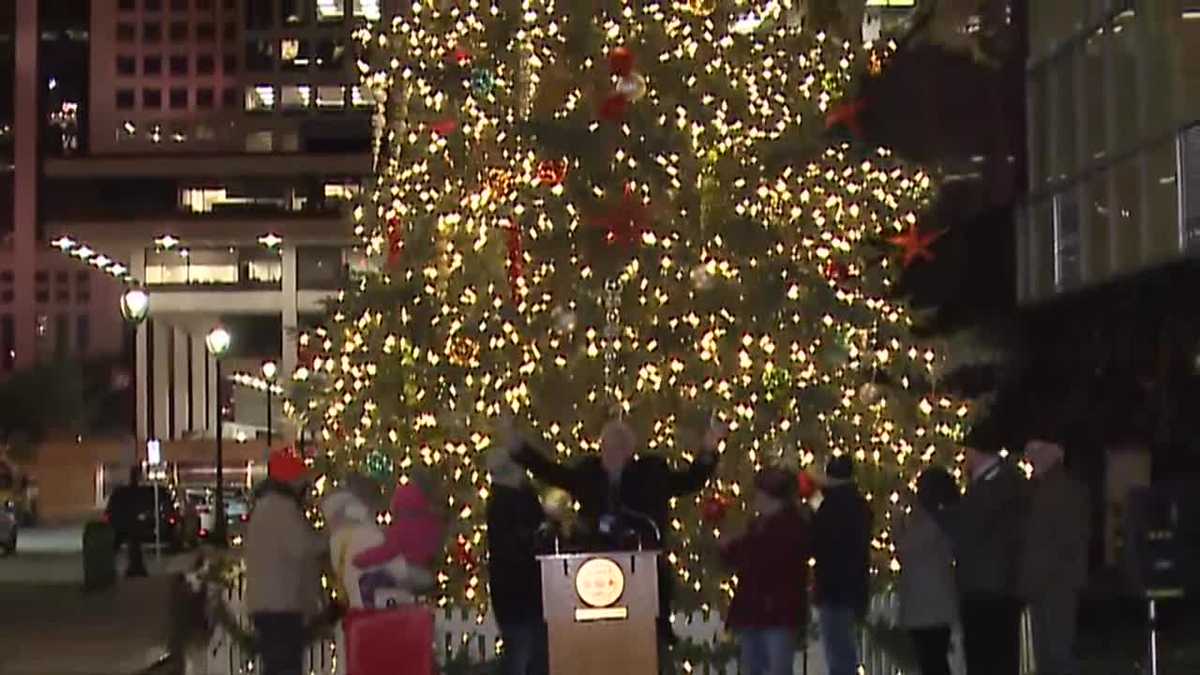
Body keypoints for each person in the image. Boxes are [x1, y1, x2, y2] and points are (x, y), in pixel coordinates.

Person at [508, 416, 728, 645]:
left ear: (630, 451)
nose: (611, 452)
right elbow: (551, 472)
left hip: (642, 574)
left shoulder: (651, 474)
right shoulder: (588, 473)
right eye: (607, 446)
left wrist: (710, 443)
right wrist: (518, 447)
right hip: (591, 572)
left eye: (618, 447)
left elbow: (691, 480)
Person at [937, 444, 1026, 675]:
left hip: (986, 587)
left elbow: (966, 527)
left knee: (986, 659)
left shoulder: (993, 486)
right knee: (997, 658)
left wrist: (941, 514)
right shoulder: (1003, 482)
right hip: (998, 586)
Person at [720, 466, 811, 675]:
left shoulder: (790, 526)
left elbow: (763, 561)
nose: (756, 499)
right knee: (757, 666)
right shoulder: (761, 524)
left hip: (776, 611)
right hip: (759, 611)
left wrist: (735, 548)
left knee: (774, 667)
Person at [245, 448, 327, 675]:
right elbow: (303, 546)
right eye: (302, 479)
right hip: (281, 606)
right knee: (284, 667)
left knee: (277, 665)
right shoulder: (282, 509)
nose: (306, 486)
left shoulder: (265, 507)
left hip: (268, 603)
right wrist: (330, 539)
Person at [1021, 440, 1090, 675]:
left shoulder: (1063, 489)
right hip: (1046, 582)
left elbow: (1068, 541)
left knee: (1057, 652)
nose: (1031, 459)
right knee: (1048, 653)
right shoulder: (1040, 489)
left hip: (1056, 583)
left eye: (1037, 453)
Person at [486, 446, 549, 675]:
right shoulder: (511, 501)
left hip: (517, 594)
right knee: (525, 655)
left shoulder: (511, 499)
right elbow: (519, 544)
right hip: (521, 593)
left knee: (524, 654)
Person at [894, 467, 959, 675]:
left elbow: (905, 546)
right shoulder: (941, 518)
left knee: (932, 661)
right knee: (934, 660)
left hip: (927, 606)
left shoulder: (931, 523)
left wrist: (896, 520)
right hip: (934, 605)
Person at [812, 455, 872, 675]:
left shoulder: (826, 505)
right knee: (844, 650)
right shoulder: (860, 506)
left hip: (832, 588)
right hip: (854, 587)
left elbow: (814, 536)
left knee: (838, 654)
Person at [107, 466, 148, 577]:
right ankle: (135, 568)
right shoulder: (133, 491)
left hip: (123, 523)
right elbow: (137, 508)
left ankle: (135, 568)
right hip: (127, 523)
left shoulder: (124, 491)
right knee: (131, 544)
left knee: (125, 545)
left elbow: (112, 508)